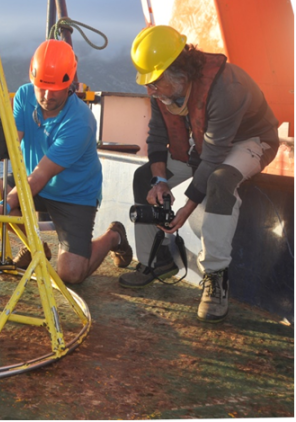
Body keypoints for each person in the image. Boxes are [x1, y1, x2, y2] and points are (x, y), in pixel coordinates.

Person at [119, 26, 280, 322]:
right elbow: (156, 137)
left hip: (248, 141)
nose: (150, 90)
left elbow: (214, 158)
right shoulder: (163, 91)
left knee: (219, 181)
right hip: (201, 141)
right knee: (144, 176)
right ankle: (157, 260)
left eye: (154, 83)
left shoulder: (227, 88)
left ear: (178, 75)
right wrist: (160, 181)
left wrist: (186, 208)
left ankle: (216, 277)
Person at [0, 40, 132, 284]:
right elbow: (12, 149)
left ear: (69, 84)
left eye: (55, 89)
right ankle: (36, 247)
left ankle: (114, 236)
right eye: (41, 87)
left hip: (74, 195)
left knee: (70, 276)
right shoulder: (23, 96)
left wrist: (7, 204)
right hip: (36, 184)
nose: (47, 96)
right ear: (32, 79)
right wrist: (2, 201)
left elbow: (40, 176)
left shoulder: (80, 122)